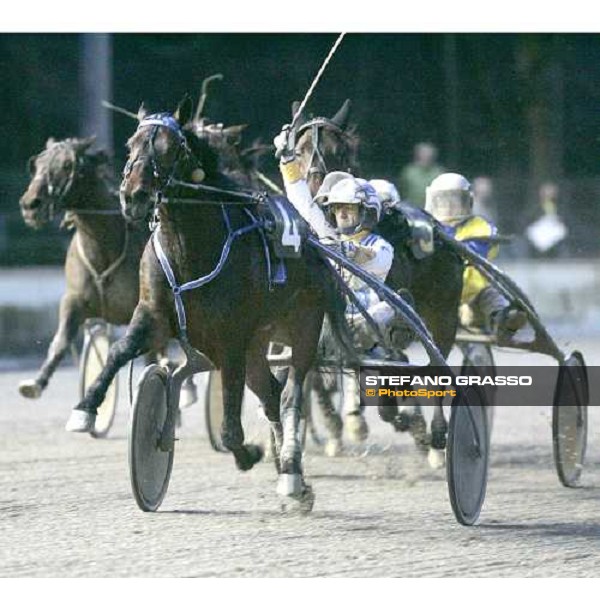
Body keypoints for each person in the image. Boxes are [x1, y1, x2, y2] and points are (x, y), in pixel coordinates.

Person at [425, 172, 527, 338]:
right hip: (436, 292)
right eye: (443, 202)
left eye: (455, 201)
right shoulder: (426, 225)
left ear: (468, 201)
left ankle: (504, 320)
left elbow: (483, 248)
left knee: (491, 292)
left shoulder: (480, 225)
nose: (449, 207)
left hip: (472, 290)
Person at [524, 181, 569, 258]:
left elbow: (563, 216)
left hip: (553, 226)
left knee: (559, 232)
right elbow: (530, 216)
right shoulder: (536, 204)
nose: (548, 194)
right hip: (539, 226)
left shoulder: (559, 204)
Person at [398, 142, 444, 208]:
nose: (427, 157)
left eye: (429, 155)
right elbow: (402, 191)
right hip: (412, 210)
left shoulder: (439, 173)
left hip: (433, 210)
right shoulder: (409, 172)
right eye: (424, 154)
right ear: (418, 154)